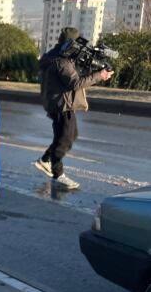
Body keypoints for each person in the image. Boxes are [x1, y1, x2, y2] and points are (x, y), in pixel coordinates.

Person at [34, 27, 113, 190]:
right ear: (71, 43)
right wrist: (100, 76)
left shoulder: (59, 56)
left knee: (66, 136)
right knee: (65, 139)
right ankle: (57, 172)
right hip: (62, 104)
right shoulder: (61, 61)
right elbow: (75, 83)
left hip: (61, 103)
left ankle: (46, 160)